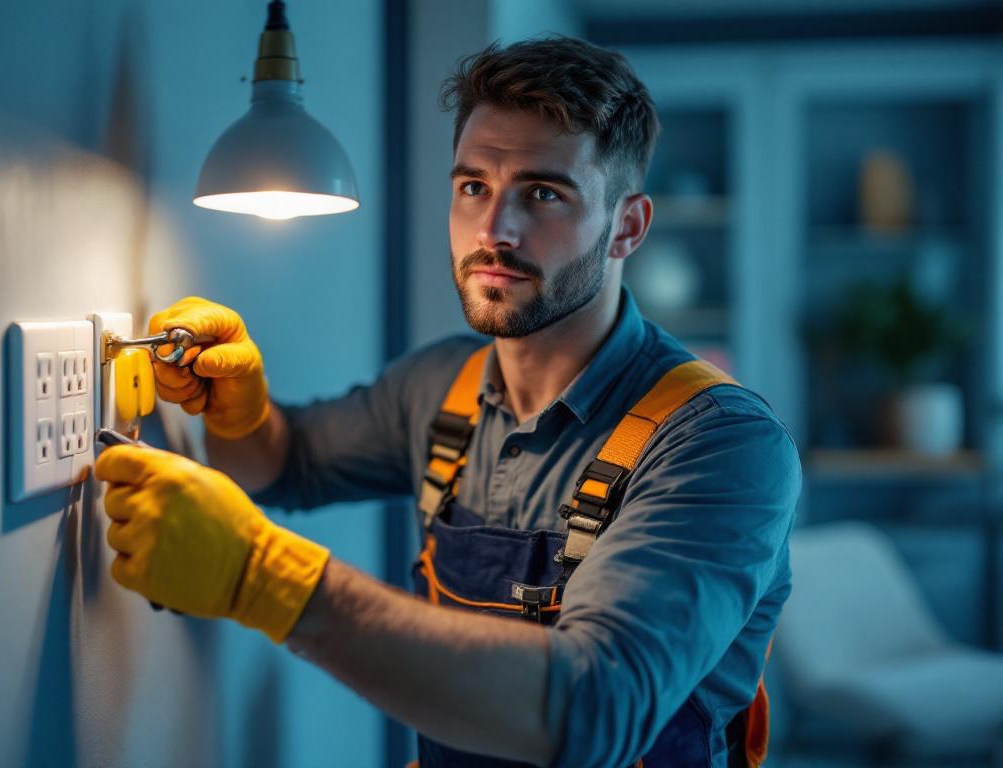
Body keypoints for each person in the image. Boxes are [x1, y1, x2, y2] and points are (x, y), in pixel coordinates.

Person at [95, 36, 801, 768]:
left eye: (543, 193)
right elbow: (282, 465)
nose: (494, 231)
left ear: (627, 226)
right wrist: (240, 410)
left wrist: (266, 579)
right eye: (473, 188)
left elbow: (598, 705)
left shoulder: (722, 443)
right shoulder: (441, 387)